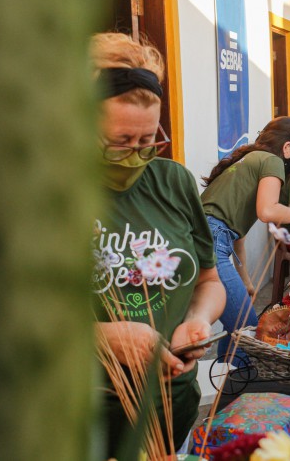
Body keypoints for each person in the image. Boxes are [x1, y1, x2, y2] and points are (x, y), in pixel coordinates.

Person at [90, 33, 226, 456]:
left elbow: (209, 281)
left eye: (147, 141)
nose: (135, 156)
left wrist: (198, 320)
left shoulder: (174, 181)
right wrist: (102, 337)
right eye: (118, 144)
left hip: (172, 405)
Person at [200, 117, 290, 363]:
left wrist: (245, 278)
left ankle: (227, 380)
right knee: (247, 328)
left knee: (237, 327)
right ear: (286, 148)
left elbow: (238, 230)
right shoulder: (272, 161)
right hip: (211, 243)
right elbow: (267, 211)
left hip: (206, 239)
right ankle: (236, 388)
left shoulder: (248, 158)